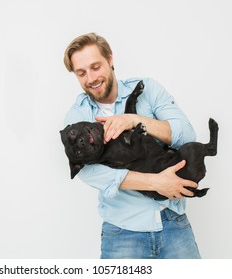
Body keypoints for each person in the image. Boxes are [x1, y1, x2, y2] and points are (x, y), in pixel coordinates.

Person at [63, 32, 201, 259]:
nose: (90, 78)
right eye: (81, 73)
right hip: (121, 234)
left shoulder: (147, 88)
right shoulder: (77, 118)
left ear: (110, 59)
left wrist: (136, 121)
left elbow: (186, 134)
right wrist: (157, 182)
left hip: (174, 223)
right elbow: (90, 172)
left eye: (95, 66)